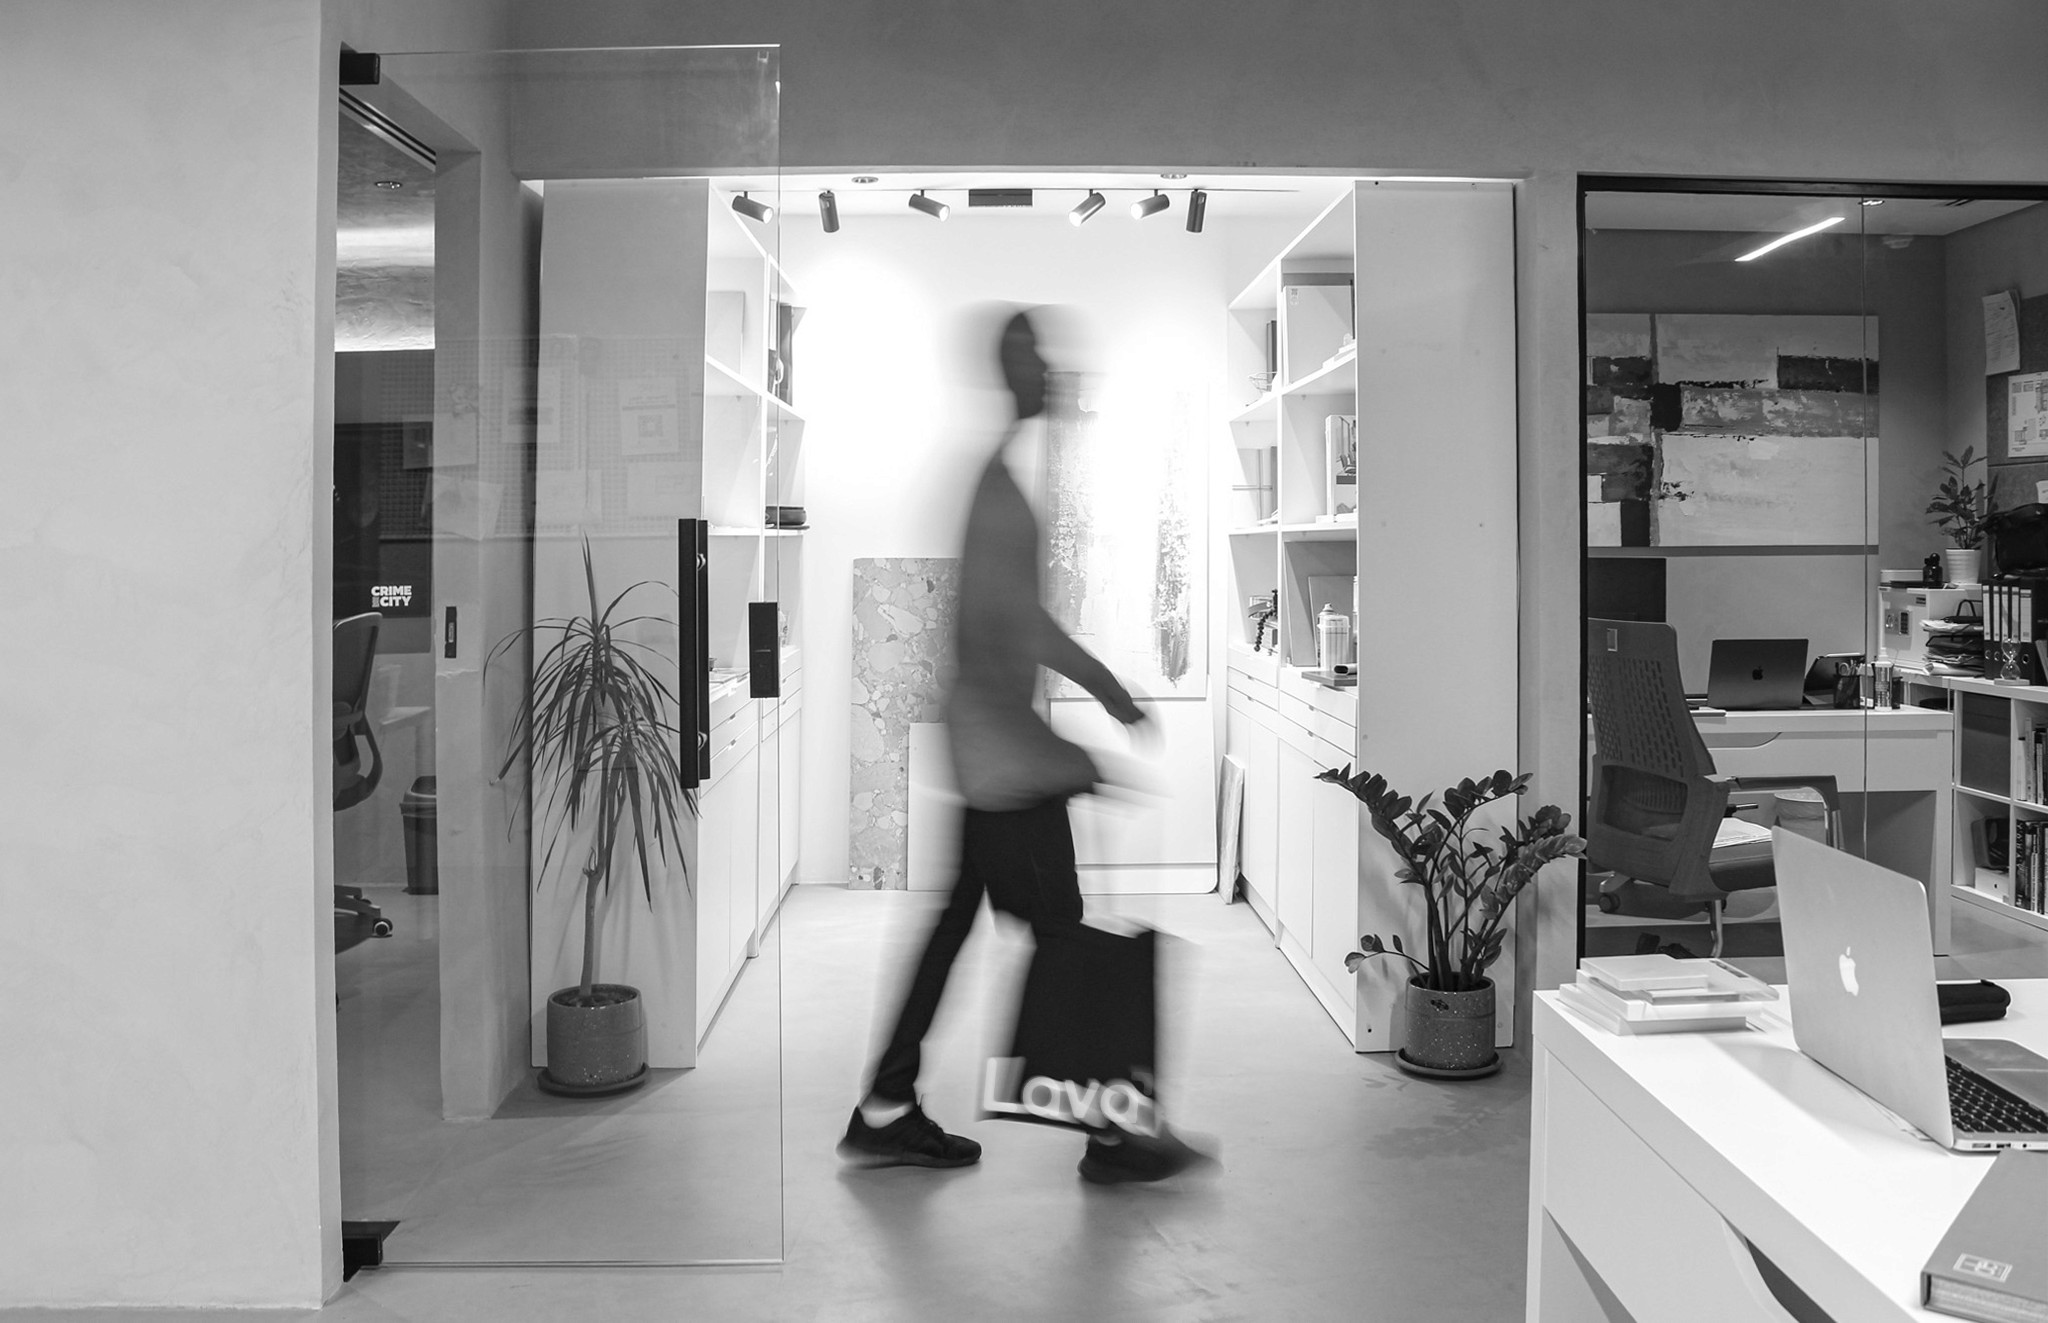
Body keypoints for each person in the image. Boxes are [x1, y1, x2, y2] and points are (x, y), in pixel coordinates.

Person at [838, 309, 1196, 1183]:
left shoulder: (999, 478)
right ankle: (1111, 1132)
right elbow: (1005, 629)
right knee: (1066, 939)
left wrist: (1080, 710)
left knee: (959, 926)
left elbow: (1002, 631)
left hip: (989, 756)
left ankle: (885, 1104)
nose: (1049, 369)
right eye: (1031, 354)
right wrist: (1084, 723)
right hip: (1003, 763)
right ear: (1008, 371)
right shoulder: (999, 490)